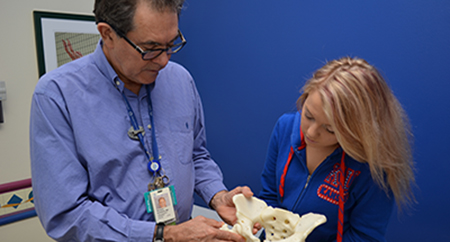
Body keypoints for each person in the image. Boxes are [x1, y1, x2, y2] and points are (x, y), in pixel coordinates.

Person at [30, 0, 256, 241]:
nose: (163, 61)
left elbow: (196, 156)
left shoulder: (180, 80)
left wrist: (218, 195)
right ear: (107, 34)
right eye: (150, 47)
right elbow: (67, 215)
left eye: (171, 44)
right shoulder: (56, 95)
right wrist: (164, 235)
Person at [259, 57, 415, 241]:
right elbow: (269, 196)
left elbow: (365, 237)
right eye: (308, 115)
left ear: (358, 130)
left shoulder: (373, 169)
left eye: (330, 129)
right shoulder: (285, 127)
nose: (311, 132)